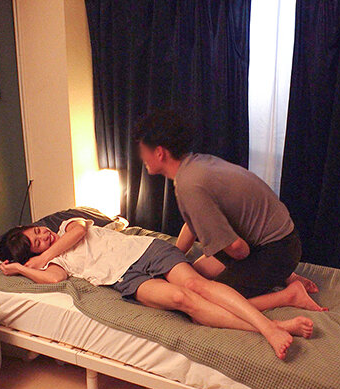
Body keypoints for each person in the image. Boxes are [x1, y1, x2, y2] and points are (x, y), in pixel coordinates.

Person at [0, 218, 326, 360]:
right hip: (127, 280)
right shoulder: (54, 265)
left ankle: (270, 327)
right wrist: (23, 269)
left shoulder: (67, 226)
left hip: (147, 251)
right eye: (38, 243)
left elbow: (79, 232)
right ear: (32, 255)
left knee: (196, 285)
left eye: (38, 231)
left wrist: (43, 256)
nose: (44, 237)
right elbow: (54, 280)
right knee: (185, 302)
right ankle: (281, 312)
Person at [133, 110, 320, 300]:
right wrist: (172, 257)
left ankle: (290, 294)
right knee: (197, 270)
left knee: (205, 299)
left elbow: (239, 249)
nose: (141, 157)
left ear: (159, 153)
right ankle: (284, 275)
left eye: (142, 150)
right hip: (279, 239)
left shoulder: (189, 184)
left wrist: (239, 257)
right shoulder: (196, 164)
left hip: (277, 250)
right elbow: (194, 223)